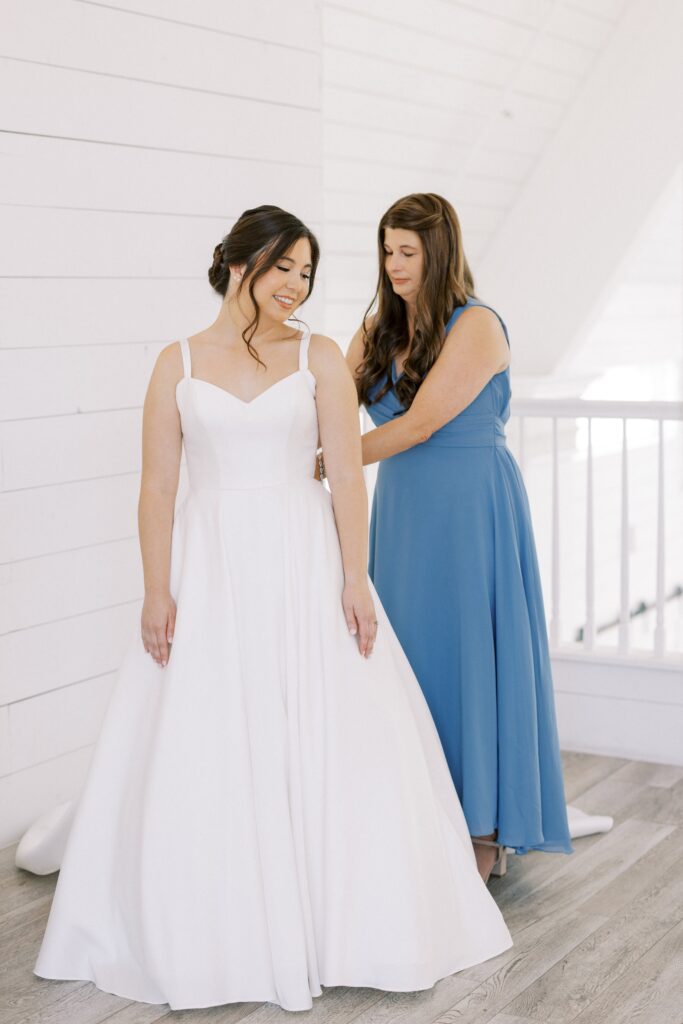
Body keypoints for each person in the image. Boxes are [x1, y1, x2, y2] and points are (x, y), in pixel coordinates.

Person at [33, 205, 512, 1013]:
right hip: (212, 567)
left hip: (303, 561)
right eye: (283, 268)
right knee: (212, 728)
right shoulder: (175, 362)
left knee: (331, 731)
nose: (296, 286)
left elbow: (347, 475)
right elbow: (155, 487)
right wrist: (157, 590)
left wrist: (354, 578)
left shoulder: (321, 357)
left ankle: (339, 918)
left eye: (307, 273)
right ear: (238, 265)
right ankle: (213, 920)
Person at [345, 193, 574, 885]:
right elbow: (326, 390)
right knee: (406, 658)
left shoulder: (476, 326)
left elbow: (416, 425)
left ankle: (482, 828)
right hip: (405, 510)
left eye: (406, 253)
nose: (392, 266)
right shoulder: (378, 328)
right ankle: (417, 813)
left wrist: (324, 460)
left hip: (470, 508)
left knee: (468, 655)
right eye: (386, 252)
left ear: (438, 253)